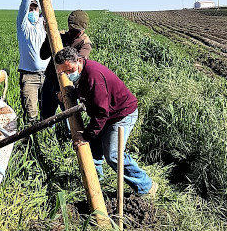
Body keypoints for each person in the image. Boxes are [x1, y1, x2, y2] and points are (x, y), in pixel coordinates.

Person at [54, 46, 157, 197]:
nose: (68, 75)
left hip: (121, 114)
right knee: (95, 148)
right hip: (108, 114)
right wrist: (71, 94)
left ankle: (146, 186)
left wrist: (87, 135)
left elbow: (101, 113)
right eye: (64, 72)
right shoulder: (83, 73)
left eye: (70, 70)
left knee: (113, 154)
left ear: (79, 60)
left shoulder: (93, 77)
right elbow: (88, 95)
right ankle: (96, 186)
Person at [39, 10, 92, 119]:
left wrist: (61, 89)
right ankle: (47, 134)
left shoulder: (84, 44)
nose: (72, 32)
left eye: (76, 31)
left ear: (83, 30)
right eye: (71, 29)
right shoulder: (60, 36)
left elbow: (76, 69)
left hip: (67, 84)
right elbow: (43, 55)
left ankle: (68, 136)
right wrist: (49, 37)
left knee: (70, 118)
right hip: (51, 80)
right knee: (46, 116)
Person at [17, 0, 52, 123]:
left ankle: (44, 140)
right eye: (30, 8)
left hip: (47, 75)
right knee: (31, 114)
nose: (32, 10)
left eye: (35, 8)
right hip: (29, 77)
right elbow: (24, 4)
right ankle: (30, 141)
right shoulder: (23, 26)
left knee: (47, 113)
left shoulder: (42, 24)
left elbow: (48, 2)